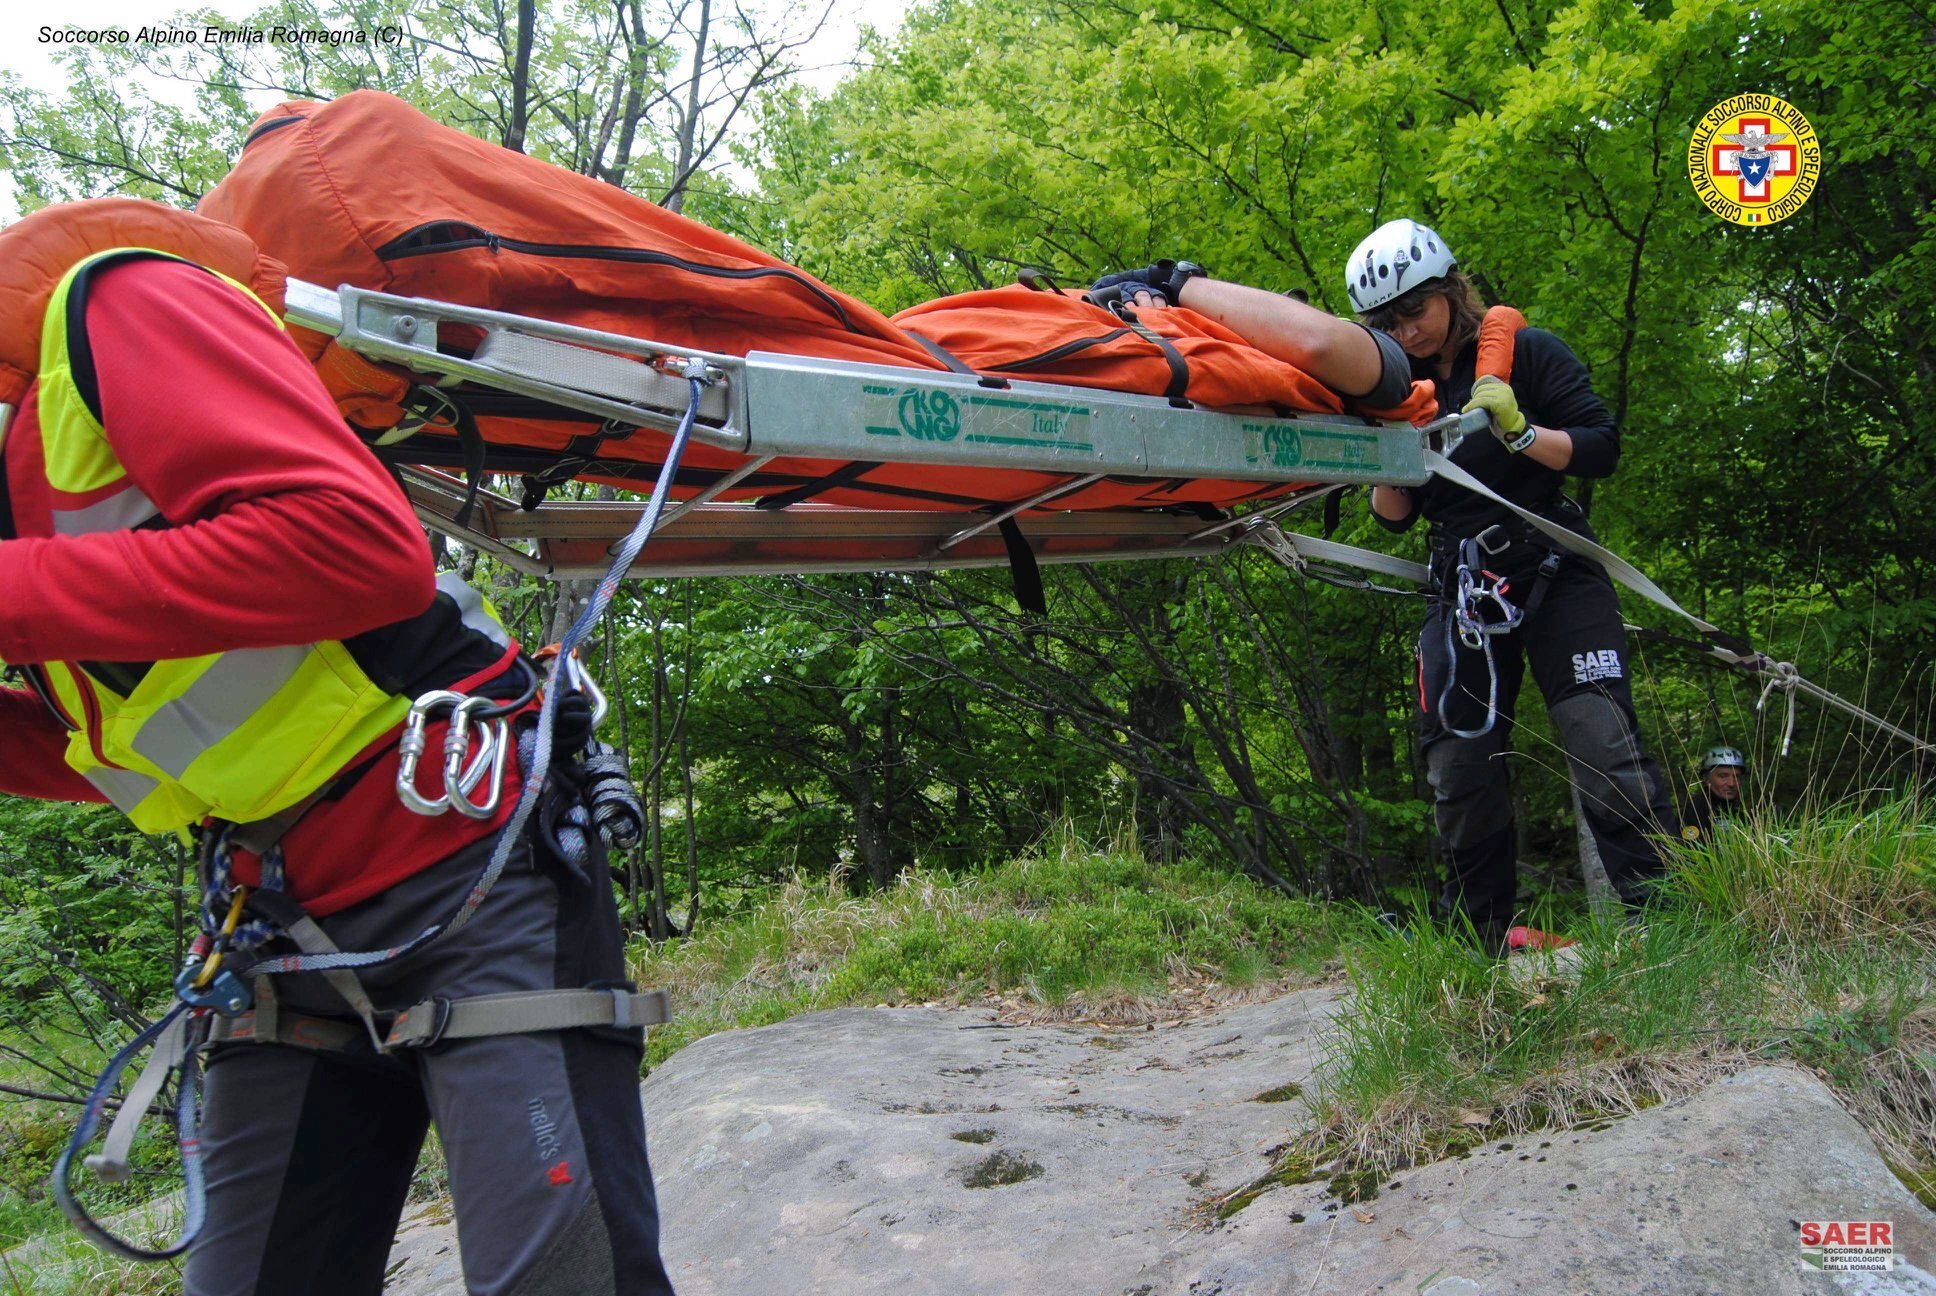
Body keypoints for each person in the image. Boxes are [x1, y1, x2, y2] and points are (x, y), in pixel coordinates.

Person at [0, 202, 674, 1295]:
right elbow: (153, 739)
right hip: (281, 927)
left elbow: (358, 551)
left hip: (472, 860)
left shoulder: (118, 304)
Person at [1091, 221, 1679, 950]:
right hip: (1463, 585)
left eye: (1415, 311)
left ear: (1451, 293)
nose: (1406, 330)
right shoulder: (1396, 381)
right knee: (1459, 765)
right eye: (1386, 322)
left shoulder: (1526, 354)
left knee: (1601, 741)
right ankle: (1478, 937)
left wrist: (1521, 434)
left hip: (1557, 571)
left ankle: (1662, 920)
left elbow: (1601, 448)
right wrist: (1387, 457)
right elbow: (1394, 519)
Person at [1682, 744, 1747, 841]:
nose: (1732, 783)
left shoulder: (1740, 814)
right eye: (1723, 776)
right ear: (1706, 778)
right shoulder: (1693, 812)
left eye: (1736, 776)